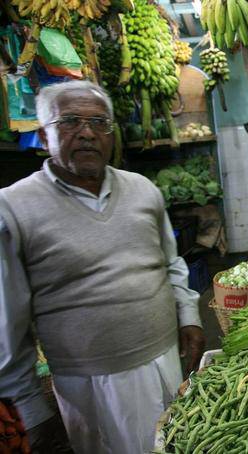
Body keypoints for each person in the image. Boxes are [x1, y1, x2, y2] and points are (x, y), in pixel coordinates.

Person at [0, 80, 206, 453]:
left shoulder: (144, 190)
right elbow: (7, 322)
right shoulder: (13, 208)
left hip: (163, 362)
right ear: (43, 137)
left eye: (100, 123)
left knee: (178, 441)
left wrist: (188, 315)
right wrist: (29, 405)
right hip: (91, 386)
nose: (87, 133)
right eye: (70, 122)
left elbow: (171, 262)